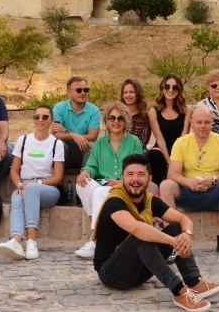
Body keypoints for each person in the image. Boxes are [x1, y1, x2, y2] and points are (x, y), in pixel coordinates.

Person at [93, 154, 219, 312]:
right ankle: (179, 291)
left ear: (149, 179)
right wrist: (174, 242)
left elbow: (183, 218)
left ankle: (194, 282)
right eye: (130, 174)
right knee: (142, 236)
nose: (135, 179)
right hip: (111, 273)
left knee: (177, 227)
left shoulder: (149, 200)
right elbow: (137, 229)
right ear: (122, 178)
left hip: (139, 272)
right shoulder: (115, 201)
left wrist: (186, 234)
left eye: (141, 174)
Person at [159, 105, 219, 259]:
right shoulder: (181, 142)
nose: (203, 126)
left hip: (215, 191)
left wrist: (213, 180)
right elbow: (172, 173)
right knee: (166, 185)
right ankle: (173, 242)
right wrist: (189, 182)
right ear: (191, 122)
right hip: (189, 192)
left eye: (206, 122)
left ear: (212, 122)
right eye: (199, 122)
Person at [74, 102, 146, 259]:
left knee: (99, 192)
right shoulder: (100, 142)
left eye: (120, 118)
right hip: (104, 184)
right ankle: (99, 225)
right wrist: (85, 171)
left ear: (126, 121)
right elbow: (92, 165)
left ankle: (95, 240)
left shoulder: (134, 141)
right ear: (106, 121)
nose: (116, 122)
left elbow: (139, 170)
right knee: (82, 185)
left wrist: (120, 182)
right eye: (112, 118)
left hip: (125, 187)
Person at [0, 106, 66, 260]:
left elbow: (58, 177)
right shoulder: (23, 140)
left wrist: (35, 183)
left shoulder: (56, 144)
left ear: (51, 120)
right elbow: (14, 171)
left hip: (48, 189)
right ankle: (15, 240)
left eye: (45, 117)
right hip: (24, 187)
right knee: (17, 198)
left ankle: (31, 241)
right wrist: (21, 185)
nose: (40, 120)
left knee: (31, 189)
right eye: (37, 117)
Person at [146, 73, 190, 185]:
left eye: (175, 87)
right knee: (154, 155)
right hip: (162, 150)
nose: (170, 90)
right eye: (167, 86)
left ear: (179, 90)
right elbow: (160, 140)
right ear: (162, 89)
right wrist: (169, 162)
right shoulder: (153, 112)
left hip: (181, 149)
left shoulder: (187, 110)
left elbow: (183, 138)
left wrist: (176, 162)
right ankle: (157, 190)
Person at [52, 76, 100, 171]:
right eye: (79, 90)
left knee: (91, 145)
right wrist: (73, 135)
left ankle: (85, 178)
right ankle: (57, 180)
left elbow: (92, 137)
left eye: (85, 90)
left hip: (83, 149)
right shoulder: (59, 108)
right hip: (65, 149)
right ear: (69, 92)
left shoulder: (94, 110)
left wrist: (67, 132)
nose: (83, 93)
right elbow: (55, 135)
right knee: (58, 144)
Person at [120, 78, 151, 147]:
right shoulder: (117, 114)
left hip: (136, 151)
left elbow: (143, 141)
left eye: (131, 92)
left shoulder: (145, 116)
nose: (128, 95)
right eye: (125, 92)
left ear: (138, 94)